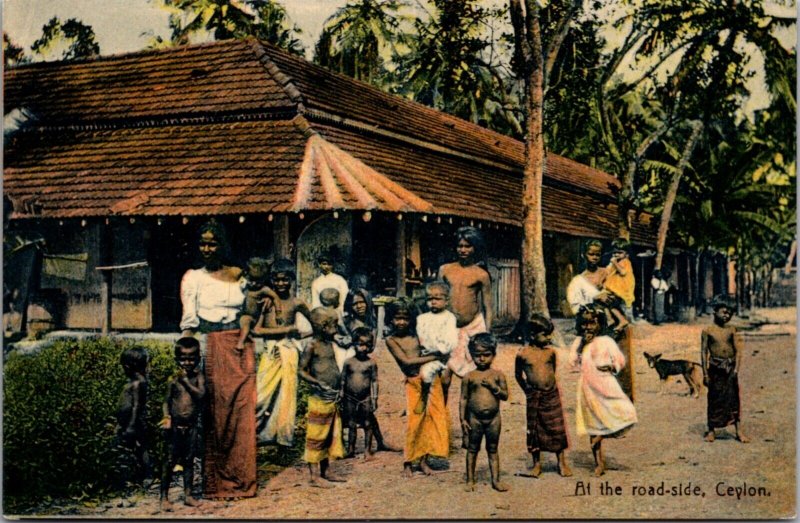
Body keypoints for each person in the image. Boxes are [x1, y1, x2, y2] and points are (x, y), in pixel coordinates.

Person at [179, 219, 256, 499]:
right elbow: (189, 321)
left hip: (239, 347)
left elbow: (251, 308)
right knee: (215, 416)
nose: (207, 248)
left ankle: (242, 478)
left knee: (241, 415)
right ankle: (215, 482)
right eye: (203, 243)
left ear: (223, 245)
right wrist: (186, 354)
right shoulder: (193, 278)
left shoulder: (239, 275)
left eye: (213, 242)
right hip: (210, 346)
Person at [569, 304, 637, 477]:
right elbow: (573, 363)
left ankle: (603, 436)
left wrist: (611, 366)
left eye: (592, 323)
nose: (588, 327)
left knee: (625, 413)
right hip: (588, 389)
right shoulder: (579, 342)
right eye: (584, 324)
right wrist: (581, 345)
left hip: (606, 386)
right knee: (593, 425)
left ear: (600, 323)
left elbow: (620, 360)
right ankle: (599, 463)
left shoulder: (606, 341)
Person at [385, 298, 450, 477]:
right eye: (397, 318)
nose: (401, 322)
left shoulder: (416, 334)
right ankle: (408, 461)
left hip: (430, 380)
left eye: (405, 318)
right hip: (414, 382)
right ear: (390, 318)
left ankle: (423, 460)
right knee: (414, 422)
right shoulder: (391, 340)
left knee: (431, 420)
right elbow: (407, 362)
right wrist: (435, 357)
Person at [253, 258, 312, 447]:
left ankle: (281, 435)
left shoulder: (297, 303)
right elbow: (257, 330)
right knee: (260, 394)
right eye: (277, 280)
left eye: (285, 279)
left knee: (286, 394)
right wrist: (285, 331)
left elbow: (317, 322)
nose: (281, 284)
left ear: (292, 280)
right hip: (270, 351)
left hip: (288, 350)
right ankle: (255, 432)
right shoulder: (267, 302)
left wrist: (300, 336)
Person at [567, 240, 635, 402]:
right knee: (597, 364)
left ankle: (623, 402)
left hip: (615, 325)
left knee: (620, 362)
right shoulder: (578, 281)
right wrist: (595, 297)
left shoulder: (608, 272)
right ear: (584, 255)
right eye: (591, 254)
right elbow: (575, 306)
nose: (594, 258)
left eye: (597, 254)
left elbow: (625, 285)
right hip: (595, 328)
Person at [438, 227, 493, 399]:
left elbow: (488, 307)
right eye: (460, 246)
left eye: (467, 246)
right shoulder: (445, 270)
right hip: (449, 329)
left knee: (473, 379)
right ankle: (440, 422)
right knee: (443, 378)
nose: (463, 250)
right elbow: (437, 297)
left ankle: (471, 421)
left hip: (473, 327)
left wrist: (487, 335)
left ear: (475, 248)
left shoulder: (481, 275)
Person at [514, 314, 571, 478]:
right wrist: (528, 390)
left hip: (551, 395)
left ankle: (561, 462)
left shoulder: (550, 353)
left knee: (556, 428)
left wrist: (548, 386)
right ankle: (537, 464)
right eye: (545, 334)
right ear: (533, 335)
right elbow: (518, 376)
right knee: (534, 430)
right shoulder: (522, 354)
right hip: (534, 395)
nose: (548, 338)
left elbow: (552, 371)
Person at [298, 307, 348, 485]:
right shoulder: (312, 345)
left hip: (332, 397)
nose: (336, 328)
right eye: (334, 325)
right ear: (323, 326)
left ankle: (326, 471)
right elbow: (301, 371)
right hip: (319, 397)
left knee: (328, 436)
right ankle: (314, 476)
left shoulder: (329, 343)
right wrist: (317, 383)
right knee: (316, 436)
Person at [160, 337, 206, 511]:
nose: (187, 362)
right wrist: (166, 418)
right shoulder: (173, 379)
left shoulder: (198, 377)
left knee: (189, 461)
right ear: (176, 359)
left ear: (198, 359)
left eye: (191, 358)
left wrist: (186, 382)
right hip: (174, 428)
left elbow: (201, 395)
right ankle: (164, 497)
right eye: (183, 359)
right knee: (169, 461)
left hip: (192, 427)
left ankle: (188, 495)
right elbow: (166, 401)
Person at [460, 333, 509, 492]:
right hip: (475, 419)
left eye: (486, 355)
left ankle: (496, 480)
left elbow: (505, 395)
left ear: (493, 354)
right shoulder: (469, 377)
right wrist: (462, 419)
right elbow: (464, 399)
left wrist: (494, 387)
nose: (481, 359)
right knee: (472, 449)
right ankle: (470, 480)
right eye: (477, 355)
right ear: (471, 355)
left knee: (493, 449)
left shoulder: (497, 375)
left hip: (494, 419)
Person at [701, 302, 749, 443]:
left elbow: (738, 351)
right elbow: (703, 353)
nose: (726, 315)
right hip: (715, 369)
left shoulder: (732, 330)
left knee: (733, 399)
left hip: (730, 369)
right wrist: (705, 373)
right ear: (715, 312)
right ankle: (711, 430)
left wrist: (736, 370)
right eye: (723, 312)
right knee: (714, 399)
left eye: (729, 313)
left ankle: (738, 430)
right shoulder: (707, 331)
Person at [415, 281, 459, 414]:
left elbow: (451, 340)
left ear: (446, 301)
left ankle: (442, 407)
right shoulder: (422, 318)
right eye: (430, 299)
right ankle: (424, 397)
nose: (433, 302)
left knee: (443, 381)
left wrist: (438, 350)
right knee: (424, 374)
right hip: (427, 355)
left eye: (437, 298)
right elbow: (420, 336)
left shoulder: (449, 318)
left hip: (443, 356)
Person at [341, 327, 379, 460]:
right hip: (350, 398)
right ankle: (350, 449)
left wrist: (374, 398)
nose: (363, 348)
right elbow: (343, 380)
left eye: (367, 345)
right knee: (351, 424)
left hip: (366, 398)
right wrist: (341, 394)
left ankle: (367, 450)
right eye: (360, 344)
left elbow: (374, 381)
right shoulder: (348, 362)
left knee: (368, 423)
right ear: (354, 344)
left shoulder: (371, 363)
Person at [116, 346, 151, 488]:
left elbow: (137, 406)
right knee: (133, 448)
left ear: (129, 366)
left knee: (141, 447)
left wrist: (131, 425)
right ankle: (134, 475)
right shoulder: (136, 381)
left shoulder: (138, 383)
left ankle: (147, 475)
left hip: (134, 422)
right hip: (128, 421)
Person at [237, 257, 279, 351]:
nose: (254, 284)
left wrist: (277, 309)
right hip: (240, 315)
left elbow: (275, 296)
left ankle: (241, 341)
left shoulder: (264, 289)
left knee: (246, 320)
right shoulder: (242, 283)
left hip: (254, 318)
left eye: (258, 281)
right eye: (251, 280)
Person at [603, 238, 635, 332]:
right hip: (615, 290)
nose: (616, 255)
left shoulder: (625, 262)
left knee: (608, 303)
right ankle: (611, 320)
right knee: (605, 303)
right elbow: (607, 272)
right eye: (614, 253)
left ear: (626, 254)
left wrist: (614, 262)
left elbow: (623, 272)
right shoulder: (616, 263)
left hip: (621, 291)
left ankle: (617, 320)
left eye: (620, 252)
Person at [311, 252, 349, 316]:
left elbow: (343, 299)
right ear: (319, 265)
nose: (326, 267)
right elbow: (316, 303)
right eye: (324, 264)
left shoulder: (340, 280)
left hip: (338, 312)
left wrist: (340, 313)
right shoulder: (316, 283)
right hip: (323, 314)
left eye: (329, 264)